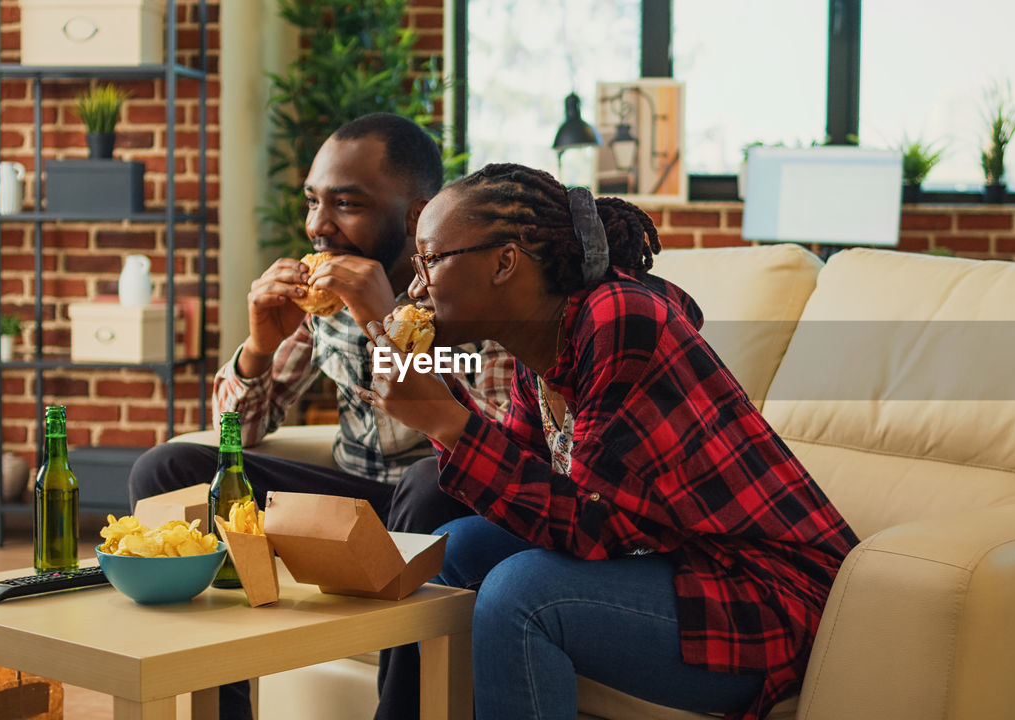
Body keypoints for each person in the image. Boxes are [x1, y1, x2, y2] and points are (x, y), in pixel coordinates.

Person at [359, 163, 859, 720]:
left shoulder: (621, 318)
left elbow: (589, 527)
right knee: (449, 550)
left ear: (504, 261)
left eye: (428, 258)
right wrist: (443, 407)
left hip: (762, 597)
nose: (413, 285)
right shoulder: (542, 345)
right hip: (668, 563)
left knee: (520, 594)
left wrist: (449, 423)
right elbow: (529, 494)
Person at [126, 114, 507, 720]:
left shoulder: (472, 298)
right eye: (312, 202)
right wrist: (258, 347)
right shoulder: (320, 303)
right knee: (169, 469)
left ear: (416, 215)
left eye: (346, 204)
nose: (317, 226)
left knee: (428, 482)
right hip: (352, 504)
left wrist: (383, 320)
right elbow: (239, 432)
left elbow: (499, 443)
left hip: (442, 507)